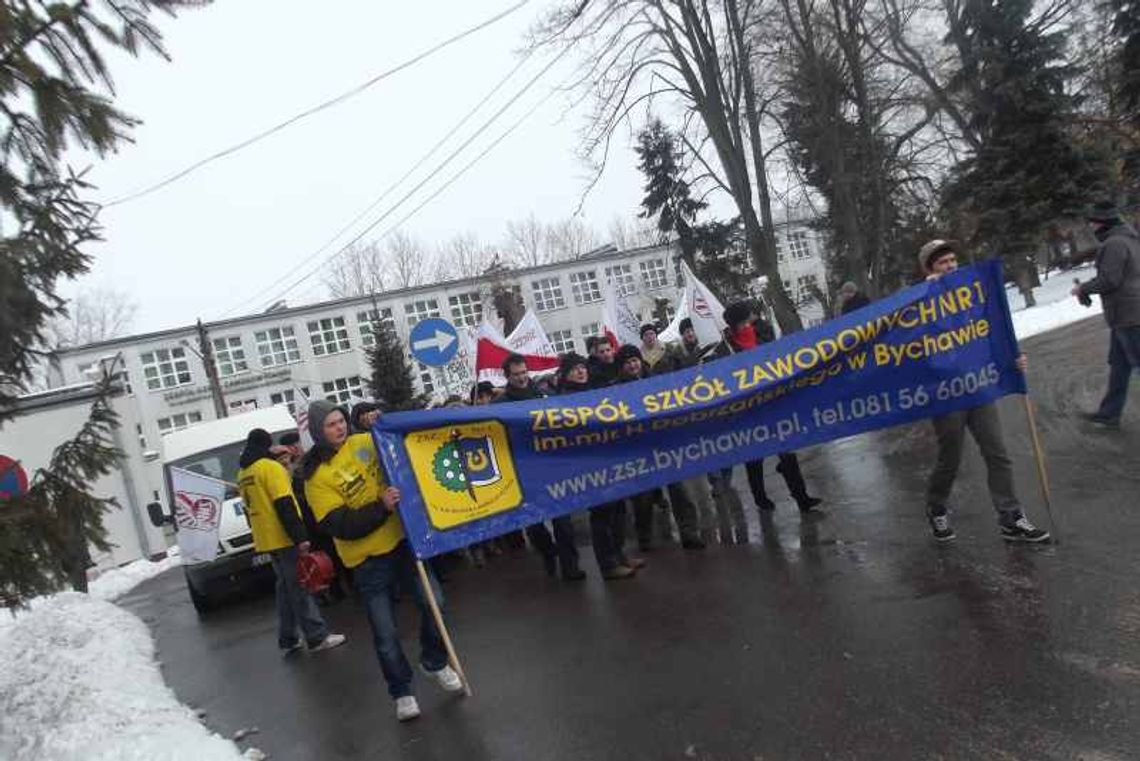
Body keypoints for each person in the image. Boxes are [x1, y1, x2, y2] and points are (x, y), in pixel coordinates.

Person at [301, 400, 464, 721]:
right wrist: (381, 506)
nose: (339, 427)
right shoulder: (316, 477)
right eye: (331, 425)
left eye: (340, 420)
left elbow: (403, 443)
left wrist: (383, 419)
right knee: (386, 632)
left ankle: (434, 662)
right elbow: (339, 525)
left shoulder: (364, 441)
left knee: (436, 603)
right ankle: (402, 691)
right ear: (319, 432)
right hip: (366, 560)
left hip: (403, 543)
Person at [917, 239, 1050, 543]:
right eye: (942, 263)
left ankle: (1011, 517)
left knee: (997, 453)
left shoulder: (971, 297)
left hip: (979, 388)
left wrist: (1012, 358)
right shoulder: (920, 302)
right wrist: (928, 291)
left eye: (952, 261)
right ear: (929, 268)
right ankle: (936, 507)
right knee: (950, 457)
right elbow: (914, 349)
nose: (950, 266)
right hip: (947, 395)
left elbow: (989, 333)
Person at [237, 428, 345, 655]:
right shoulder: (270, 468)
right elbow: (284, 503)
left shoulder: (244, 473)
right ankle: (317, 637)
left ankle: (288, 638)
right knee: (300, 586)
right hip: (283, 535)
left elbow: (249, 510)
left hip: (265, 538)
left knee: (285, 588)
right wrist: (300, 537)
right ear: (266, 446)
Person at [718, 302, 823, 515]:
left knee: (787, 452)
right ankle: (760, 497)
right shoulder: (726, 347)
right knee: (755, 457)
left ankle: (802, 498)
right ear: (738, 322)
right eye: (747, 318)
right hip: (747, 409)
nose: (751, 320)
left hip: (772, 403)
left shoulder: (762, 333)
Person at [493, 354, 585, 580]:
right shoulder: (500, 406)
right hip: (524, 470)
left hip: (552, 465)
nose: (522, 378)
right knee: (533, 523)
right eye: (516, 375)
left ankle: (570, 567)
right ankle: (547, 551)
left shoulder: (545, 395)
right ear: (508, 376)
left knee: (563, 520)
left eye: (524, 372)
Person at [557, 353, 639, 579]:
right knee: (602, 514)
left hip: (610, 458)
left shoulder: (595, 390)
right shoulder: (564, 400)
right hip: (590, 464)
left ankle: (620, 554)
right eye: (575, 369)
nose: (581, 371)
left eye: (582, 367)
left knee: (619, 510)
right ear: (566, 374)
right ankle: (608, 564)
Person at [614, 344, 704, 550]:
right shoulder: (617, 389)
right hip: (639, 449)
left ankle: (689, 532)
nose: (632, 365)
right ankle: (645, 537)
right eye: (627, 362)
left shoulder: (656, 380)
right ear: (622, 366)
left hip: (665, 445)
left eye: (635, 360)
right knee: (643, 499)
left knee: (680, 492)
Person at [1071, 202, 1140, 429]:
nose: (1092, 227)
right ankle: (1109, 414)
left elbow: (1110, 279)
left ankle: (1109, 414)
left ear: (1103, 223)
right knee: (1119, 368)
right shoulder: (1129, 238)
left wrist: (1083, 289)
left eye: (1094, 222)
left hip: (1130, 317)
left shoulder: (1115, 243)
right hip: (1124, 316)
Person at [276, 432, 350, 601]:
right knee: (323, 556)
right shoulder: (288, 472)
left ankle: (343, 587)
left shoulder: (309, 463)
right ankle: (333, 590)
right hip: (310, 521)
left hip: (321, 514)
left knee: (334, 553)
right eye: (293, 447)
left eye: (298, 444)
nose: (297, 448)